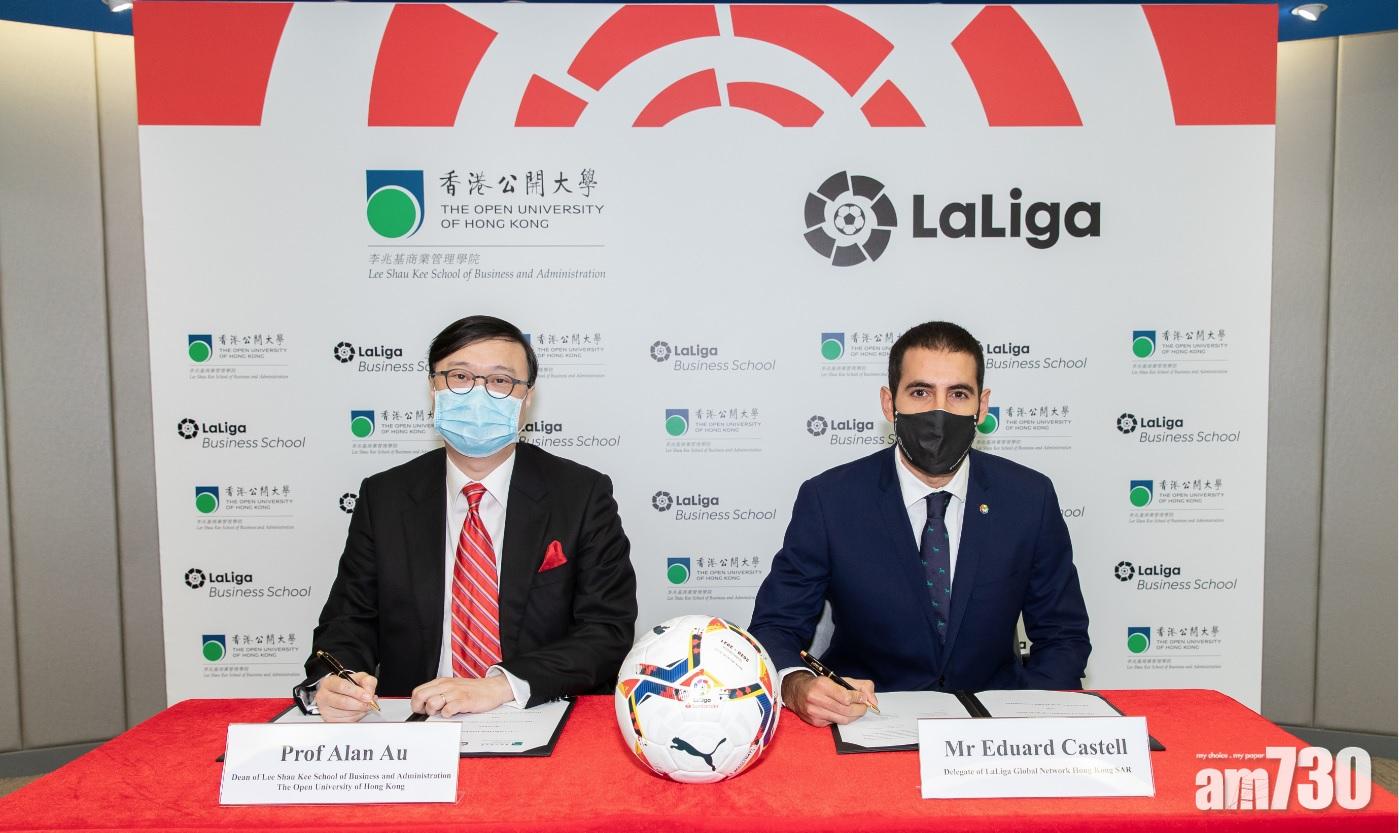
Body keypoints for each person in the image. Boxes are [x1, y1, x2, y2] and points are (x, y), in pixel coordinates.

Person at [748, 320, 1090, 727]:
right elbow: (775, 626)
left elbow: (1063, 636)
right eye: (920, 392)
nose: (938, 412)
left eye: (958, 394)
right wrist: (796, 684)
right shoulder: (830, 500)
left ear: (982, 406)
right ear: (889, 404)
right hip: (866, 721)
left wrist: (1028, 723)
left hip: (992, 727)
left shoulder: (1029, 498)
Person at [299, 315, 637, 721]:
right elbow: (349, 620)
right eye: (460, 376)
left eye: (500, 381)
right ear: (433, 388)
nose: (478, 394)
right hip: (416, 721)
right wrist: (337, 680)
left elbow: (606, 631)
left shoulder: (581, 494)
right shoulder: (384, 496)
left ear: (526, 398)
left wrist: (499, 686)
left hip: (534, 713)